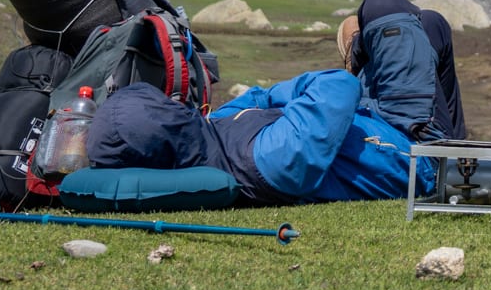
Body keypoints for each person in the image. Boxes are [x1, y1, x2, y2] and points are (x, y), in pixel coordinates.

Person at [86, 72, 437, 204]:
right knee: (385, 9)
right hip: (418, 157)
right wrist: (295, 97)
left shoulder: (211, 131)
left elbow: (257, 96)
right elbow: (339, 83)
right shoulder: (269, 156)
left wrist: (285, 102)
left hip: (369, 121)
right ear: (171, 121)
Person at [337, 0, 466, 140]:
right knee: (432, 22)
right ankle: (457, 144)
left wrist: (358, 98)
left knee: (382, 1)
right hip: (429, 135)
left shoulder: (354, 111)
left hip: (412, 137)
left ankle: (360, 53)